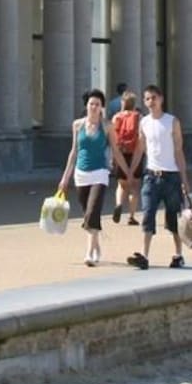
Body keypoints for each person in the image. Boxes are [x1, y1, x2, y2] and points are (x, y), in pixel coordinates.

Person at [129, 84, 189, 271]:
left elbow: (179, 151)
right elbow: (140, 147)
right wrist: (132, 171)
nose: (150, 102)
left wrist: (184, 179)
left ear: (161, 99)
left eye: (153, 98)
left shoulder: (172, 122)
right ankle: (144, 255)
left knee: (172, 218)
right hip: (151, 176)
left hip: (171, 176)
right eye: (147, 99)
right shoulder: (144, 122)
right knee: (148, 214)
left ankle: (178, 254)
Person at [57, 91, 113, 267]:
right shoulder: (77, 125)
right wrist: (65, 177)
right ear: (86, 106)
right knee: (88, 214)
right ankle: (97, 244)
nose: (94, 107)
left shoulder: (107, 126)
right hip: (81, 174)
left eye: (97, 104)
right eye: (91, 104)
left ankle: (89, 252)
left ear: (101, 107)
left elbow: (115, 150)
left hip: (100, 173)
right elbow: (74, 151)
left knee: (92, 211)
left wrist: (125, 170)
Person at [109, 88, 143, 226]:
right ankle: (131, 216)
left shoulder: (116, 117)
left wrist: (113, 157)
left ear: (123, 102)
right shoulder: (139, 117)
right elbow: (141, 138)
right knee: (134, 186)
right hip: (134, 153)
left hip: (120, 153)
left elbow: (113, 139)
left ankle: (118, 204)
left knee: (121, 185)